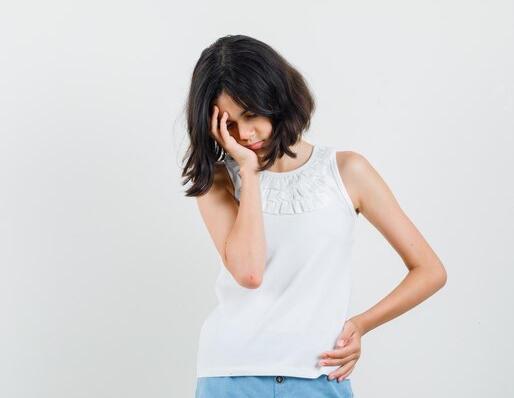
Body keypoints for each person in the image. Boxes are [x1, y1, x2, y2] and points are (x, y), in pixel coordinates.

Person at [180, 34, 447, 398]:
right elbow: (249, 272)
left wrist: (361, 325)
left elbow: (430, 270)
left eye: (251, 114)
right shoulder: (220, 181)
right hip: (230, 374)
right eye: (229, 125)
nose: (245, 134)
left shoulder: (347, 171)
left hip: (319, 374)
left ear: (276, 98)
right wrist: (249, 173)